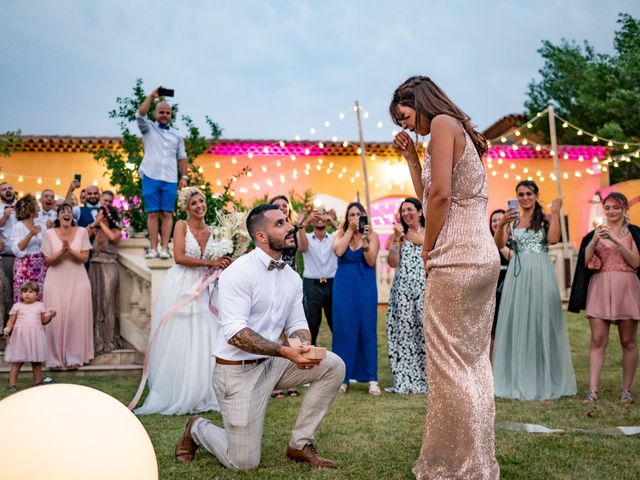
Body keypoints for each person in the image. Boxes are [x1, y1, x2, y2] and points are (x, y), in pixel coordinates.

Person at [173, 204, 345, 471]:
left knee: (333, 366)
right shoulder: (239, 272)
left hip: (272, 364)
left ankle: (300, 443)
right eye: (280, 224)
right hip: (237, 374)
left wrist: (301, 346)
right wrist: (285, 352)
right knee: (243, 463)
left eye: (287, 221)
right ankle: (198, 427)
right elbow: (235, 334)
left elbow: (298, 323)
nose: (290, 227)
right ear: (261, 236)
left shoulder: (291, 276)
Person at [391, 75, 500, 478]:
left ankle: (459, 465)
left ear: (418, 102)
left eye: (404, 116)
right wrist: (410, 160)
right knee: (472, 361)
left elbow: (438, 199)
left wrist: (427, 246)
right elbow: (431, 191)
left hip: (454, 255)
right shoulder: (458, 130)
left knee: (449, 365)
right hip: (481, 256)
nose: (405, 127)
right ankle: (478, 461)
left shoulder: (439, 124)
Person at [135, 187, 233, 415]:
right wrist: (211, 264)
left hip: (205, 287)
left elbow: (217, 259)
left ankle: (205, 390)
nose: (199, 206)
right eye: (194, 203)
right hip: (182, 285)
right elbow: (178, 256)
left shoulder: (213, 231)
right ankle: (176, 391)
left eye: (201, 202)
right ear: (187, 207)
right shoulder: (181, 225)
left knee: (204, 334)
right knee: (181, 334)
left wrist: (221, 263)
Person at [492, 180, 576, 400]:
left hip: (540, 273)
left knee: (541, 322)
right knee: (518, 323)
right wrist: (502, 225)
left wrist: (555, 212)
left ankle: (543, 377)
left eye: (529, 194)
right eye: (521, 194)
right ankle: (518, 377)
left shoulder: (546, 219)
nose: (525, 198)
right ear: (516, 197)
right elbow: (498, 243)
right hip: (517, 277)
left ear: (536, 195)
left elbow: (554, 239)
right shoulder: (513, 221)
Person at [569, 193, 640, 403]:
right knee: (597, 340)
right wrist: (594, 241)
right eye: (608, 208)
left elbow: (636, 262)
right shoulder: (594, 234)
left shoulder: (634, 233)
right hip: (600, 288)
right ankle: (592, 391)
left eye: (616, 207)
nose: (611, 212)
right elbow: (584, 261)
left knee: (628, 341)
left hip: (626, 288)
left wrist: (617, 240)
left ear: (624, 209)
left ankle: (626, 390)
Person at [331, 201, 381, 396]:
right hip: (344, 286)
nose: (354, 218)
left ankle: (372, 379)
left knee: (367, 329)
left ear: (364, 217)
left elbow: (370, 260)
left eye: (357, 214)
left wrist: (366, 240)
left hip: (365, 286)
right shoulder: (340, 235)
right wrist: (350, 232)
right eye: (351, 214)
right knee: (344, 329)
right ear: (347, 218)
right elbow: (339, 251)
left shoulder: (372, 236)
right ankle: (343, 378)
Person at [137, 87, 188, 260]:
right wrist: (152, 96)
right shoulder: (148, 128)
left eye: (167, 112)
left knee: (167, 213)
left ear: (171, 115)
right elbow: (140, 113)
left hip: (170, 178)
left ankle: (165, 248)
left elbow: (182, 157)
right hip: (150, 175)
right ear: (156, 113)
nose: (164, 114)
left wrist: (184, 177)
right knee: (152, 213)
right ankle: (153, 248)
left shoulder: (177, 135)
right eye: (161, 112)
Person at [41, 203, 93, 368]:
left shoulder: (82, 232)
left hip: (78, 280)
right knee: (56, 318)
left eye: (69, 211)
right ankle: (54, 358)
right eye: (62, 211)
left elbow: (84, 258)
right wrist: (62, 252)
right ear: (57, 216)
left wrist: (70, 251)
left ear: (73, 216)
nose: (66, 213)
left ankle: (74, 357)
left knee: (75, 318)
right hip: (55, 280)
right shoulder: (49, 234)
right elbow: (48, 261)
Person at [385, 197, 427, 394]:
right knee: (404, 334)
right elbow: (392, 262)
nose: (406, 213)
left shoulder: (430, 232)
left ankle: (427, 379)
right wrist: (396, 238)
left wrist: (423, 242)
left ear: (420, 212)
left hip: (425, 290)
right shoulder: (399, 235)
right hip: (402, 292)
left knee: (426, 334)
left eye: (410, 209)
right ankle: (405, 379)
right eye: (403, 211)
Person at [269, 194, 302, 398]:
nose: (282, 208)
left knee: (293, 328)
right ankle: (274, 381)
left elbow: (302, 248)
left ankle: (292, 378)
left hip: (290, 278)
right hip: (272, 278)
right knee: (275, 329)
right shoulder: (268, 231)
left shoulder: (294, 230)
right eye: (277, 206)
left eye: (284, 206)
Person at [3, 281, 56, 392]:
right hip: (21, 338)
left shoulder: (40, 306)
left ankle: (37, 383)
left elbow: (43, 321)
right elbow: (11, 321)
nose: (27, 294)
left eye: (31, 292)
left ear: (37, 295)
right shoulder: (17, 306)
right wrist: (8, 329)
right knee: (17, 362)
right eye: (24, 291)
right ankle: (12, 384)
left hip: (35, 337)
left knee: (37, 362)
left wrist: (50, 315)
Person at [88, 192, 123, 354]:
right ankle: (97, 339)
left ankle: (109, 339)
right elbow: (85, 234)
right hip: (94, 268)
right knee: (95, 302)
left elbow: (113, 239)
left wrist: (102, 224)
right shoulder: (95, 230)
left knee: (107, 302)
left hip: (109, 268)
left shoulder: (115, 230)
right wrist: (96, 222)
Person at [297, 208, 338, 346]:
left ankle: (342, 358)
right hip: (312, 285)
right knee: (312, 324)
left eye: (323, 214)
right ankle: (309, 358)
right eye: (316, 216)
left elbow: (345, 235)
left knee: (336, 324)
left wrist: (332, 222)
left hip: (332, 284)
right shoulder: (306, 237)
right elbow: (302, 248)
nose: (320, 218)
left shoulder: (334, 237)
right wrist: (305, 221)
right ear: (312, 221)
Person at [10, 194, 47, 303]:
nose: (38, 207)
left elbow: (45, 245)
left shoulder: (41, 225)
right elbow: (18, 249)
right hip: (24, 264)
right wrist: (30, 235)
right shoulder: (18, 227)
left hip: (40, 265)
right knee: (24, 297)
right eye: (36, 205)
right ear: (30, 209)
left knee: (39, 296)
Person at [489, 209, 513, 363]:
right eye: (494, 221)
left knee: (510, 330)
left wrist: (499, 245)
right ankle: (491, 368)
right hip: (491, 289)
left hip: (510, 287)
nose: (497, 223)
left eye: (500, 219)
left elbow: (515, 259)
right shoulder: (485, 241)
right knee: (492, 332)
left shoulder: (515, 241)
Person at [0, 181, 17, 325]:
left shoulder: (24, 207)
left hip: (23, 258)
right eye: (4, 189)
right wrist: (4, 218)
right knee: (6, 293)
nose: (7, 191)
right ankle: (6, 328)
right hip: (5, 257)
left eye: (10, 188)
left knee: (22, 293)